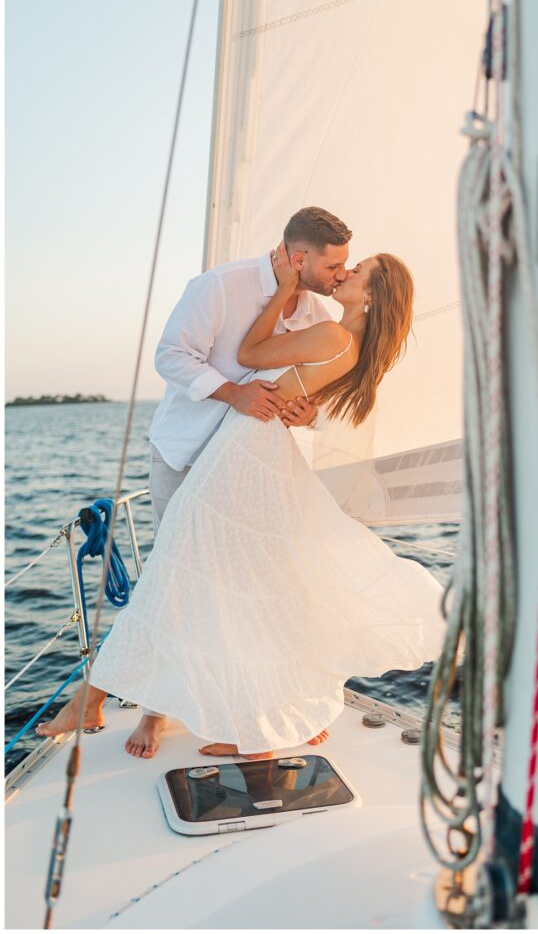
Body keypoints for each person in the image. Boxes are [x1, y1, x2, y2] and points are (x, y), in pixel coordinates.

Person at [37, 247, 446, 759]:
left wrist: (282, 290)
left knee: (180, 571)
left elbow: (251, 354)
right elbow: (304, 397)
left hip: (243, 452)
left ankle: (111, 705)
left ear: (371, 294)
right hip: (253, 448)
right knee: (224, 580)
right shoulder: (354, 345)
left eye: (357, 271)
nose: (346, 273)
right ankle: (249, 720)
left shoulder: (335, 334)